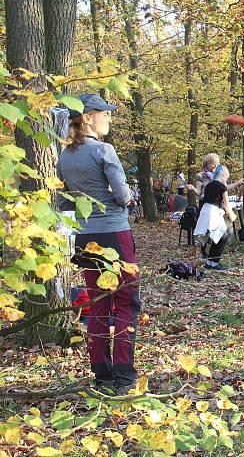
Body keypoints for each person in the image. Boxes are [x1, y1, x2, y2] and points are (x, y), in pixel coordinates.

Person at [56, 93, 140, 394]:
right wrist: (125, 196)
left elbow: (63, 196)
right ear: (89, 116)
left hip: (86, 235)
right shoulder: (104, 150)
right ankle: (123, 375)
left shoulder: (65, 156)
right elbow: (124, 196)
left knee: (98, 302)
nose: (109, 118)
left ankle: (101, 374)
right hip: (114, 233)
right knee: (127, 302)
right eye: (105, 113)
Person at [193, 165, 237, 270]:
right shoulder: (222, 187)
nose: (226, 180)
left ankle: (210, 262)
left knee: (219, 237)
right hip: (213, 212)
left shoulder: (209, 185)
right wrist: (232, 216)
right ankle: (214, 263)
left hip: (205, 211)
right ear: (222, 175)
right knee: (224, 236)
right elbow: (226, 205)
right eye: (226, 177)